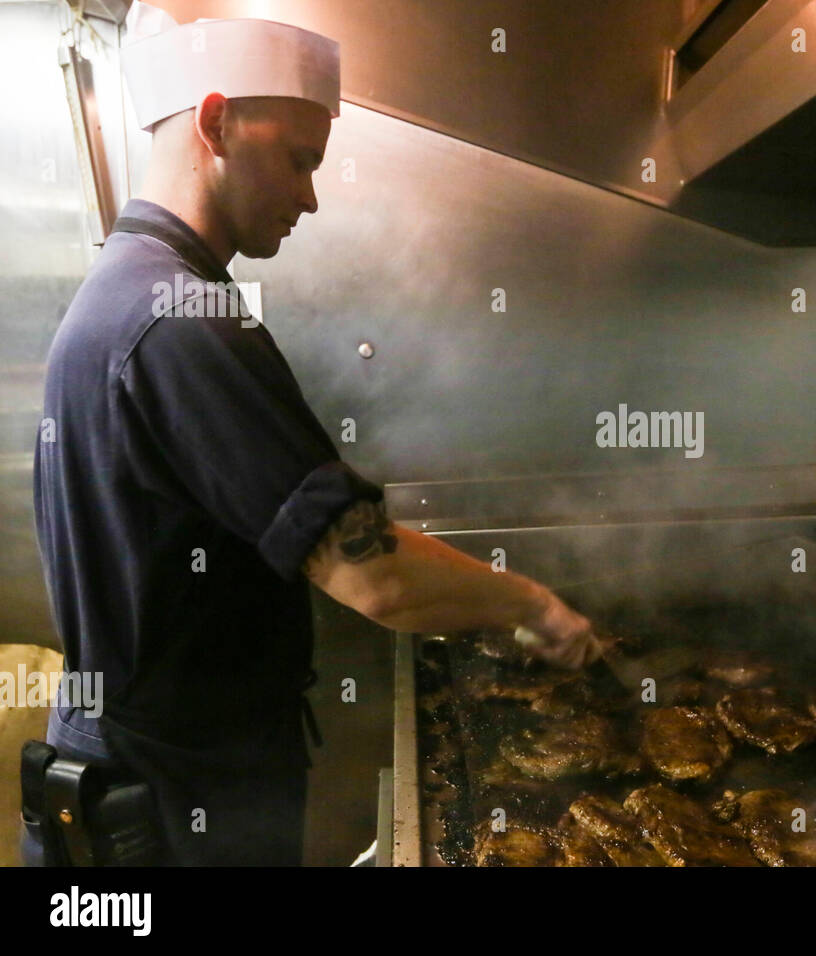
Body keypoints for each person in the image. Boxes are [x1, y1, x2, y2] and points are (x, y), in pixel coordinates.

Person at [25, 6, 598, 866]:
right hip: (174, 807)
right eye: (299, 160)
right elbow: (375, 577)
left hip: (154, 777)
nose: (310, 196)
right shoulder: (180, 317)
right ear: (215, 122)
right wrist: (536, 607)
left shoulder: (134, 285)